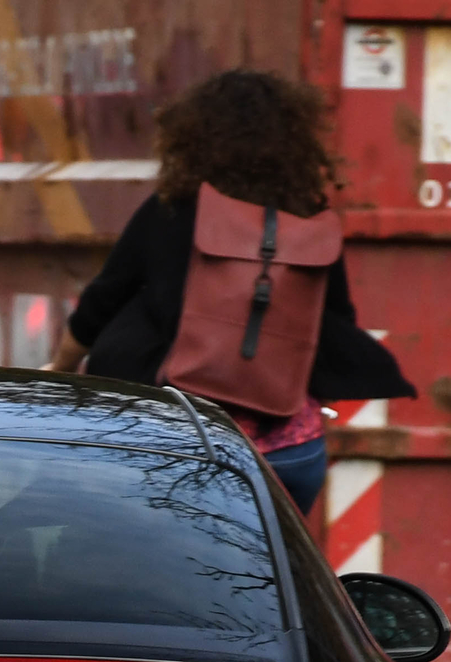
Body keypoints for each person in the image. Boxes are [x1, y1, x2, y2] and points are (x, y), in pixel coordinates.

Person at [43, 69, 413, 512]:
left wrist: (61, 365)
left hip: (173, 446)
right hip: (287, 456)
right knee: (268, 578)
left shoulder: (172, 212)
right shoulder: (309, 224)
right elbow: (336, 327)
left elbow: (102, 303)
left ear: (192, 137)